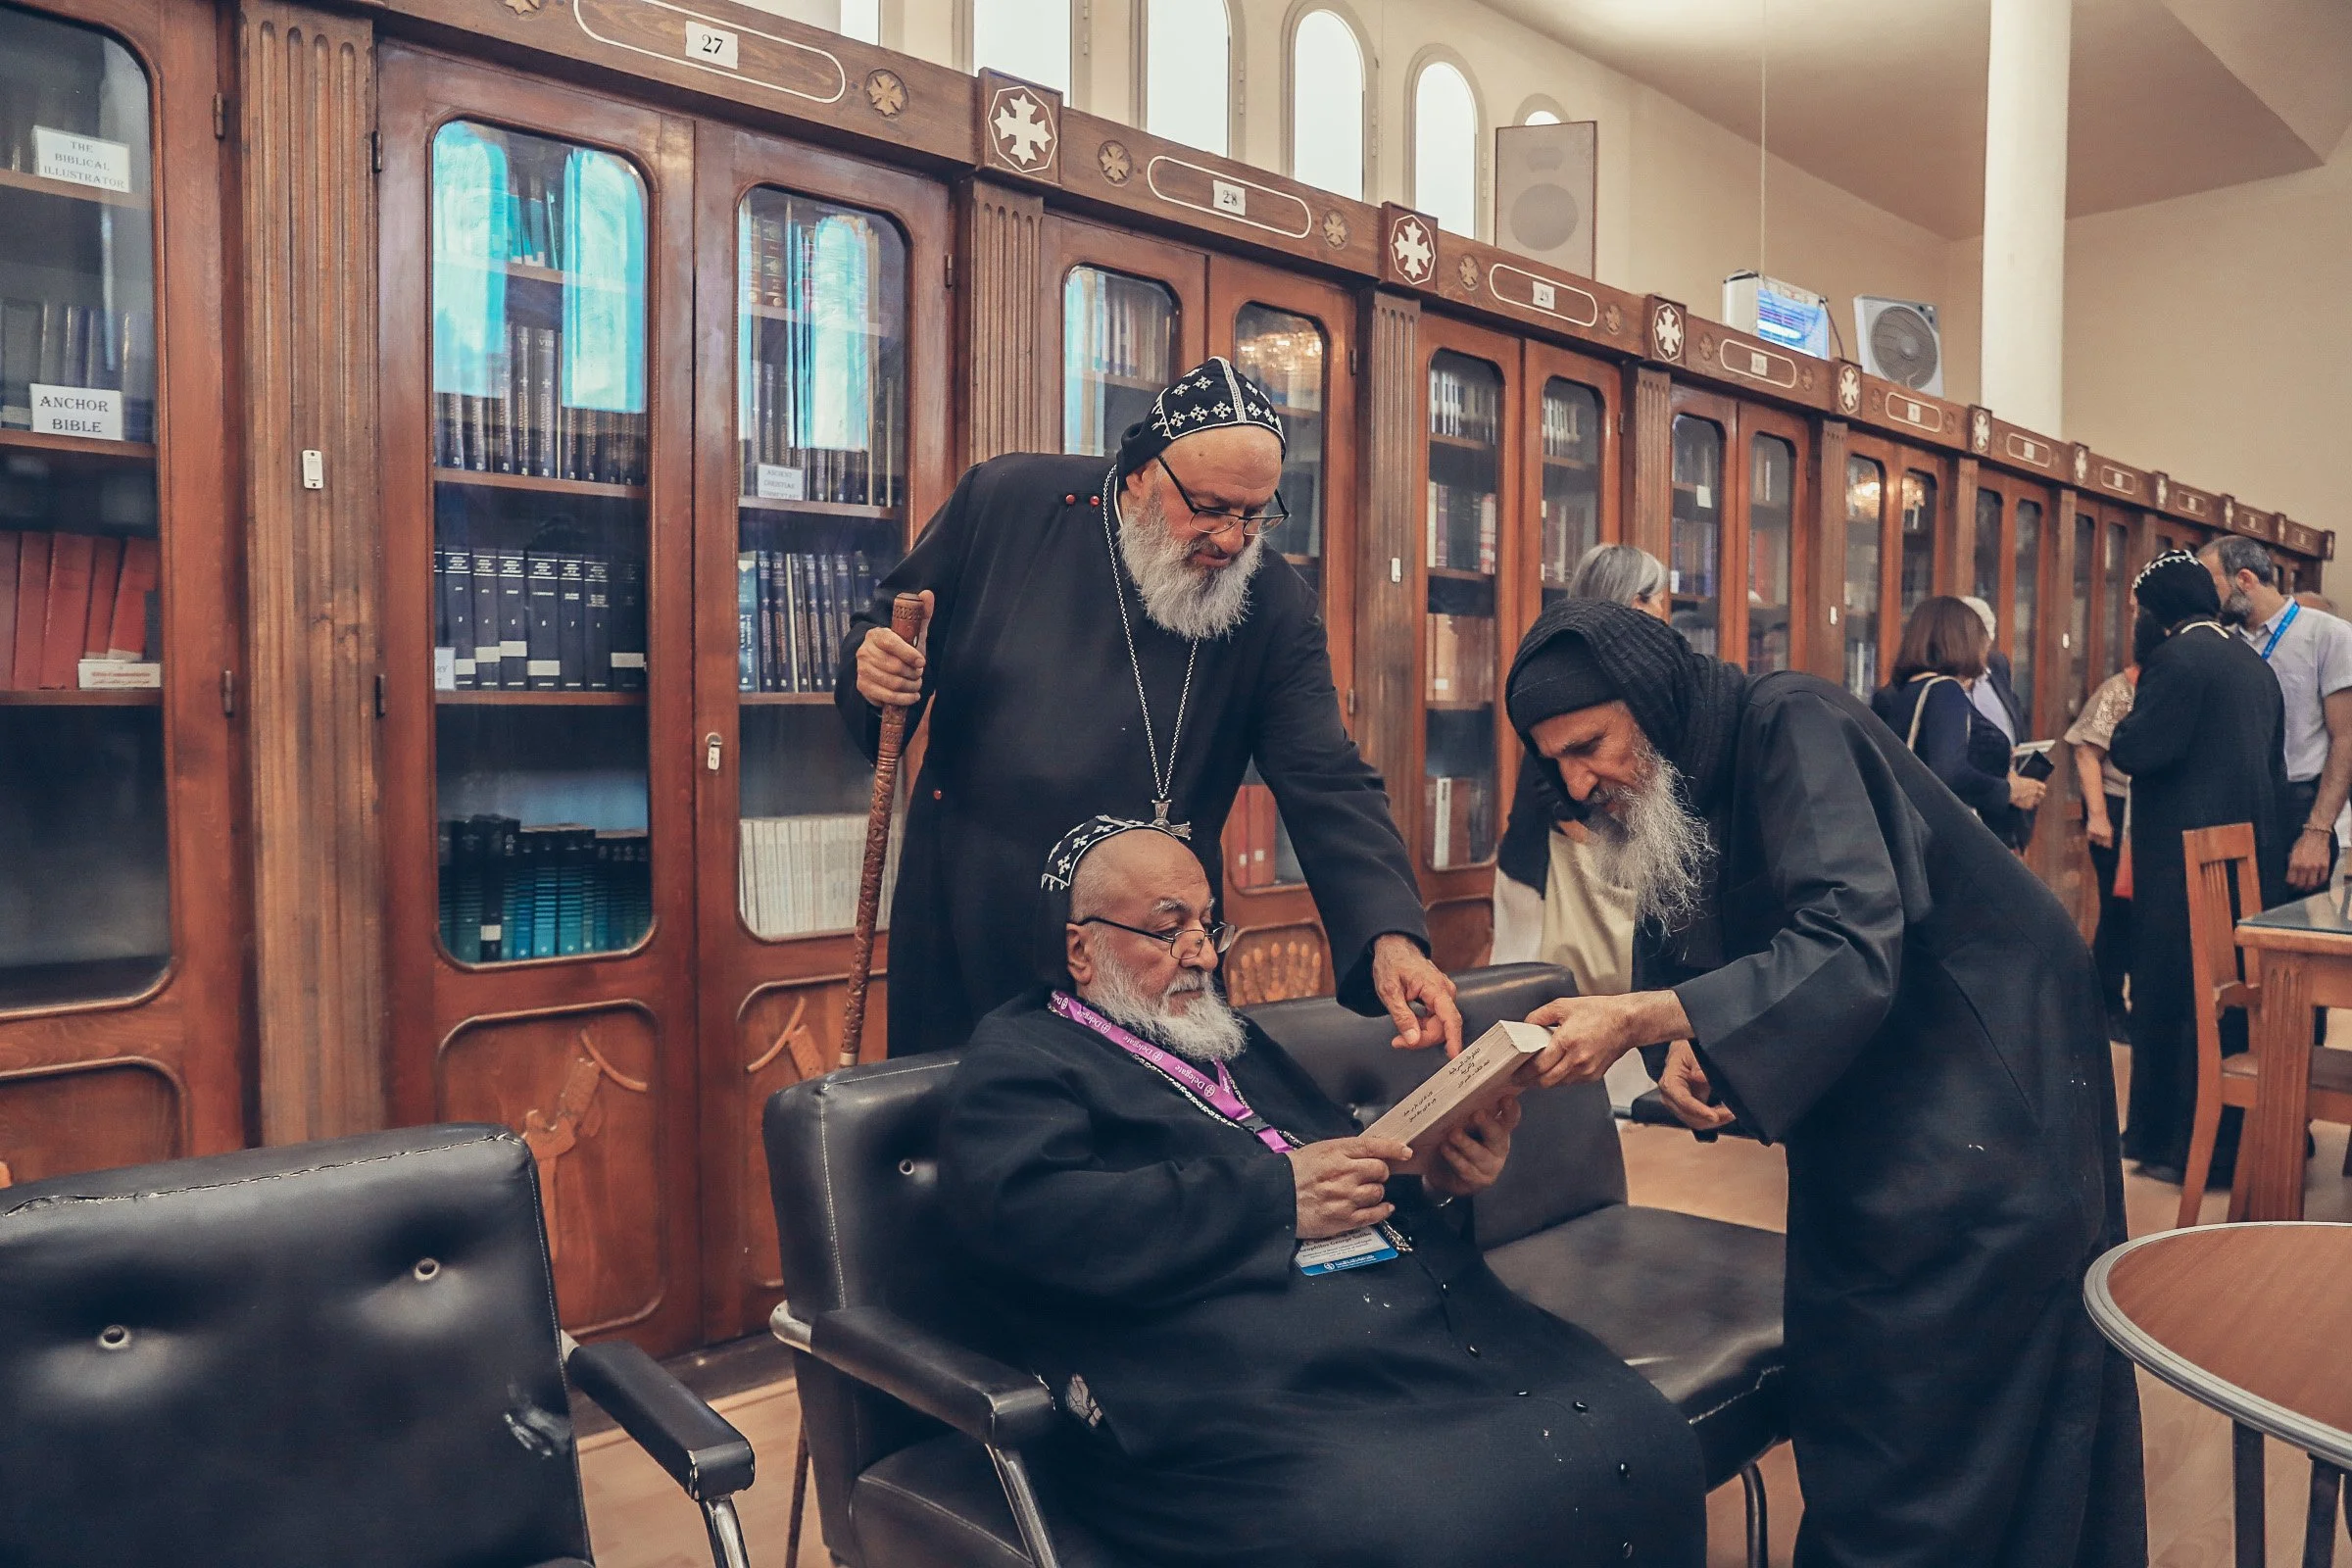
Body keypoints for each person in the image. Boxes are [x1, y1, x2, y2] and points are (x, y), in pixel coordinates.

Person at [1499, 598, 2145, 1568]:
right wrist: (1687, 1030)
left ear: (1654, 702)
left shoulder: (1792, 720)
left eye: (1589, 746)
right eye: (1558, 763)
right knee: (1851, 1354)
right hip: (1878, 1092)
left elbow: (1848, 936)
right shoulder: (1683, 770)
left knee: (1939, 1387)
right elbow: (1689, 910)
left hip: (1986, 1076)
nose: (1578, 782)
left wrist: (1646, 1017)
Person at [938, 816, 1705, 1568]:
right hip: (1239, 1391)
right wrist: (1274, 1198)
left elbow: (1347, 1178)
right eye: (1170, 929)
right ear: (1081, 948)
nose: (1202, 951)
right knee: (1440, 1524)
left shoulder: (1230, 1038)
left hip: (1403, 1341)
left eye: (1208, 925)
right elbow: (1029, 1220)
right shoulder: (1022, 1056)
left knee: (1646, 1437)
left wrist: (1441, 1181)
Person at [840, 358, 1456, 1057]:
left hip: (1155, 942)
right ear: (1139, 474)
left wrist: (1390, 936)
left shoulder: (1273, 602)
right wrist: (876, 666)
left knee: (1148, 1117)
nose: (1231, 539)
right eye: (1209, 508)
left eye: (1255, 514)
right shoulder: (1007, 503)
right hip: (975, 907)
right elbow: (890, 634)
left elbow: (1327, 777)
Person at [2109, 550, 2288, 1186]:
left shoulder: (2176, 658)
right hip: (2244, 865)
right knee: (2226, 1002)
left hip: (2182, 866)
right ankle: (2230, 1143)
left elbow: (2137, 749)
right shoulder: (2252, 663)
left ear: (2157, 611)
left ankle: (2177, 1145)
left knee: (2175, 997)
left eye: (2137, 609)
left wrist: (2122, 726)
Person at [2199, 536, 2352, 897]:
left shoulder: (2328, 634)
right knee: (2235, 922)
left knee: (2293, 926)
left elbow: (2346, 738)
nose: (2206, 597)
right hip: (2235, 807)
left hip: (2299, 807)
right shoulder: (2222, 641)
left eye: (2211, 585)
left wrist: (2317, 832)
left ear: (2245, 579)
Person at [1871, 596, 2046, 840]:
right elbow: (1950, 773)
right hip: (1942, 837)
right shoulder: (1946, 690)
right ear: (1962, 641)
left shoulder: (1909, 689)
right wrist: (2008, 791)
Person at [2065, 662, 2138, 1044]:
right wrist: (2097, 816)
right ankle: (2107, 1005)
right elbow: (2086, 753)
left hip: (2145, 812)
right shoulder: (2119, 689)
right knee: (2118, 911)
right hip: (2115, 810)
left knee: (2141, 915)